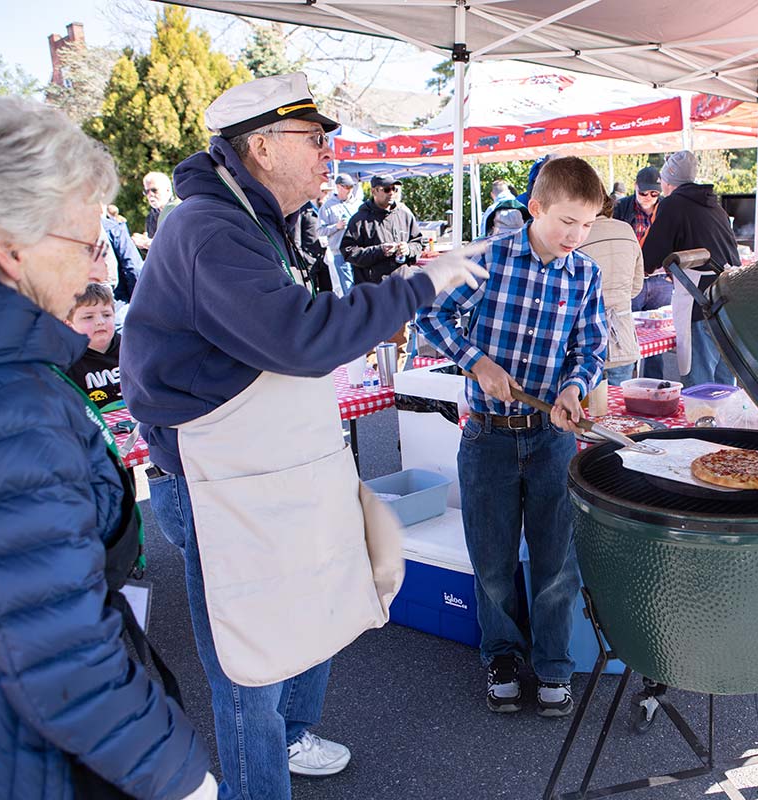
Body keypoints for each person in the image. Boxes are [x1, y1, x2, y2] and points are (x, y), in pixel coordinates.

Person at [119, 72, 487, 800]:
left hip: (267, 466)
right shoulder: (207, 229)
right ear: (260, 145)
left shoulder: (257, 222)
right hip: (217, 481)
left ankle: (289, 738)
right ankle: (260, 779)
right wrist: (421, 284)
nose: (330, 153)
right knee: (249, 660)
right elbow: (300, 337)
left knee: (310, 616)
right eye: (314, 139)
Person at [0, 96, 215, 800]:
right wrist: (183, 779)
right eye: (84, 243)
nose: (97, 264)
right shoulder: (8, 401)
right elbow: (60, 649)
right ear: (10, 250)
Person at [417, 156, 607, 719]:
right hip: (487, 438)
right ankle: (501, 656)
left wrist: (574, 388)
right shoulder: (490, 259)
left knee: (557, 560)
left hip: (552, 441)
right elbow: (430, 317)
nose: (576, 236)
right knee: (493, 558)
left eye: (588, 225)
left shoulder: (585, 274)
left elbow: (590, 347)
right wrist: (477, 363)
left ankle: (552, 667)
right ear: (537, 208)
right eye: (567, 222)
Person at [642, 150, 739, 388]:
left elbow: (650, 255)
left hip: (700, 303)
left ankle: (702, 424)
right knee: (725, 383)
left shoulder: (673, 205)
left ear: (667, 181)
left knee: (699, 384)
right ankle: (726, 425)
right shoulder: (714, 205)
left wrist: (643, 268)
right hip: (729, 300)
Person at [579, 193, 644, 385]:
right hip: (623, 335)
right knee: (619, 409)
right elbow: (636, 285)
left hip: (588, 338)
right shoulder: (626, 230)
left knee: (588, 408)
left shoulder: (578, 235)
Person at [614, 166, 668, 378]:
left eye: (654, 194)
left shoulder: (666, 208)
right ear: (635, 187)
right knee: (629, 337)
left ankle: (655, 384)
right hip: (631, 279)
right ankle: (630, 384)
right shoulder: (622, 207)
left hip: (660, 279)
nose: (648, 198)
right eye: (643, 193)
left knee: (658, 339)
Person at [341, 174, 424, 285]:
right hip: (373, 288)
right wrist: (379, 251)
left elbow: (418, 243)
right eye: (386, 189)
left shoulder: (404, 214)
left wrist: (408, 249)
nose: (391, 193)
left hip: (402, 284)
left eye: (394, 189)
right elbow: (349, 252)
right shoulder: (359, 219)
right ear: (374, 191)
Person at [65, 282, 125, 410]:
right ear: (69, 325)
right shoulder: (65, 360)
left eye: (106, 315)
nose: (100, 322)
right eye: (88, 317)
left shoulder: (131, 348)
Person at [318, 172, 362, 292]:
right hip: (340, 253)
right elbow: (320, 230)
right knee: (348, 288)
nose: (349, 190)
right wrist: (336, 227)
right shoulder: (327, 206)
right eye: (346, 187)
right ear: (338, 187)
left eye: (351, 187)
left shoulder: (359, 205)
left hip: (359, 251)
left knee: (361, 286)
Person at [289, 180, 333, 295]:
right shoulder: (302, 211)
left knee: (327, 292)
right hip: (309, 261)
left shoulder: (325, 211)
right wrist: (303, 260)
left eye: (327, 193)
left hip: (324, 258)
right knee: (310, 294)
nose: (326, 196)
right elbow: (296, 240)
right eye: (324, 192)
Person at [131, 170, 178, 252]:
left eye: (154, 190)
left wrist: (151, 244)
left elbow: (179, 243)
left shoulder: (178, 210)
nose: (150, 195)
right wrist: (143, 244)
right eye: (146, 191)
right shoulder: (151, 217)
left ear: (168, 190)